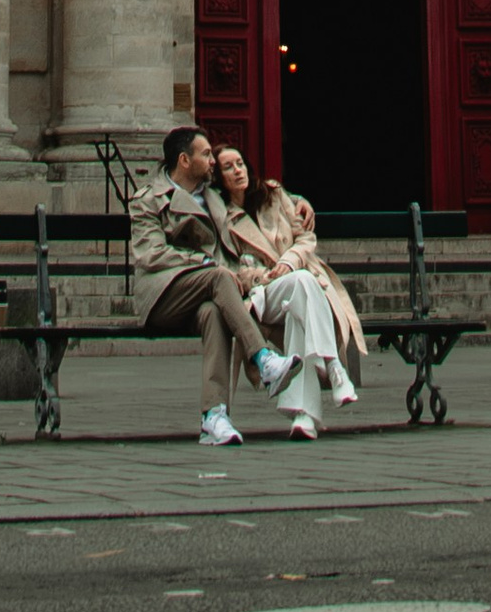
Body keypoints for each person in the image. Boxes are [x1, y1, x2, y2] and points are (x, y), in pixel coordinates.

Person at [129, 125, 298, 447]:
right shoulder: (148, 200)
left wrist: (300, 204)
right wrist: (205, 264)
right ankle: (263, 358)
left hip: (206, 295)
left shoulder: (213, 197)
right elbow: (151, 254)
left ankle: (214, 416)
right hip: (163, 294)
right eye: (206, 154)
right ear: (184, 160)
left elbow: (256, 192)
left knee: (215, 314)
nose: (213, 161)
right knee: (219, 277)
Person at [212, 149, 358, 442]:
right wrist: (262, 276)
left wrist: (288, 262)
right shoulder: (221, 216)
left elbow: (305, 238)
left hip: (297, 280)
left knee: (299, 305)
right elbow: (225, 267)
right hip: (262, 294)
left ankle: (304, 417)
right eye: (228, 167)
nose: (238, 171)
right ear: (219, 178)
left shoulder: (275, 196)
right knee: (302, 285)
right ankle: (332, 364)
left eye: (240, 163)